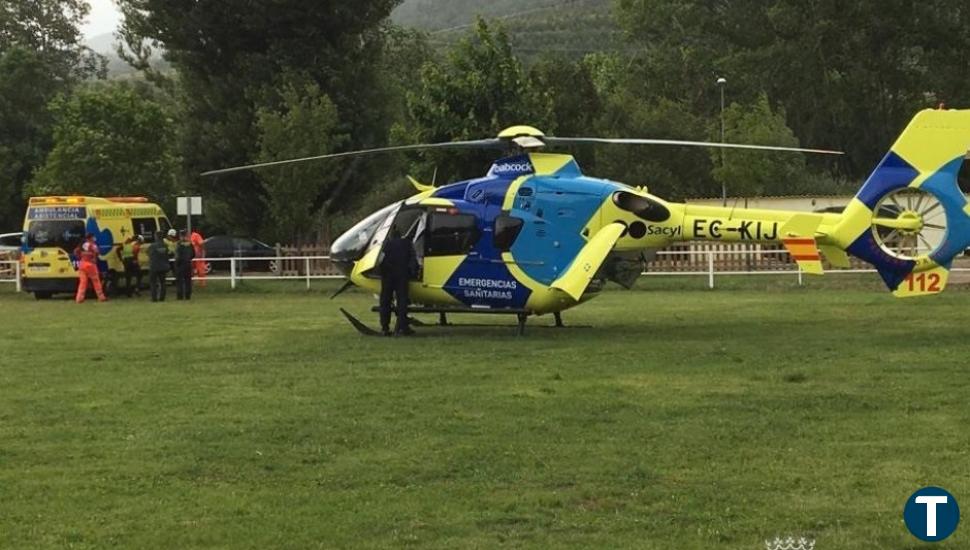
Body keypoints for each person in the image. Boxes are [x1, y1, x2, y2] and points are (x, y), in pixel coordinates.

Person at [378, 226, 418, 336]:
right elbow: (413, 260)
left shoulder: (385, 245)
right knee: (402, 302)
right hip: (402, 276)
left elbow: (379, 260)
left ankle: (384, 327)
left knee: (385, 301)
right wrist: (412, 273)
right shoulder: (407, 244)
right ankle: (401, 327)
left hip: (387, 276)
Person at [75, 233, 107, 303]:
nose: (94, 238)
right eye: (93, 237)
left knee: (83, 282)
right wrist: (94, 258)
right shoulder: (92, 245)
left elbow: (76, 251)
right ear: (91, 238)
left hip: (82, 264)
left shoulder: (82, 245)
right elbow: (97, 252)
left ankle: (79, 298)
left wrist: (80, 257)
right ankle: (101, 297)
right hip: (91, 265)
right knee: (96, 281)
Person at [148, 231, 171, 302]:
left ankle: (154, 298)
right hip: (163, 266)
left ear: (156, 236)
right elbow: (168, 254)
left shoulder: (152, 246)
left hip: (154, 267)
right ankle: (162, 298)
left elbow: (149, 254)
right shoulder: (165, 246)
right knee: (163, 282)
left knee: (153, 283)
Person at [173, 229, 195, 300]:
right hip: (188, 264)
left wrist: (176, 263)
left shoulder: (179, 244)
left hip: (180, 264)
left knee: (179, 281)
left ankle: (180, 296)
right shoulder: (190, 244)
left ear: (180, 236)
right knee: (188, 281)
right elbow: (193, 254)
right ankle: (188, 295)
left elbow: (177, 256)